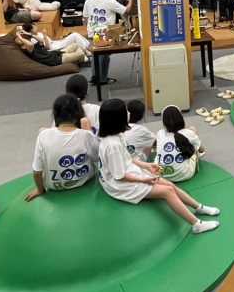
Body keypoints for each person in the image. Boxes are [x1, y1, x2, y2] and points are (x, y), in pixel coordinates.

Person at [96, 99, 219, 234]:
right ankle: (196, 224)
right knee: (168, 191)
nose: (129, 112)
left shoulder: (117, 136)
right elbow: (119, 176)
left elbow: (127, 158)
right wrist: (144, 180)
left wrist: (146, 165)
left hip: (129, 173)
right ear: (118, 118)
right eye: (126, 111)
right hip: (121, 186)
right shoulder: (112, 145)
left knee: (170, 184)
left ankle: (198, 207)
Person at [26, 94, 99, 201]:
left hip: (53, 186)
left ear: (55, 114)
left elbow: (37, 172)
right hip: (84, 180)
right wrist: (88, 132)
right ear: (78, 113)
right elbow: (97, 157)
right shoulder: (86, 135)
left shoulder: (43, 136)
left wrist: (40, 190)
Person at [83, 0, 132, 86]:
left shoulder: (89, 0)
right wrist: (130, 0)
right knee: (104, 56)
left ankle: (96, 76)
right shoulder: (110, 2)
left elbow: (85, 18)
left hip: (92, 31)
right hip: (105, 33)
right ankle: (101, 79)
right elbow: (126, 10)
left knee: (95, 54)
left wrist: (90, 28)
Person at [156, 105, 204, 182]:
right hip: (185, 174)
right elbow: (202, 150)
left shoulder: (160, 133)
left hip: (162, 175)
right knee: (193, 130)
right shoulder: (188, 133)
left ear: (164, 122)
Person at [15, 27, 85, 66]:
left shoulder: (34, 47)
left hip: (56, 53)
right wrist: (19, 37)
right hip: (56, 60)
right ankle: (81, 60)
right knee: (81, 53)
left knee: (76, 45)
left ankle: (80, 60)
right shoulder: (27, 51)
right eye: (17, 39)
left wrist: (29, 34)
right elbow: (30, 45)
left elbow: (42, 41)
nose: (19, 38)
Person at [22, 22, 90, 58]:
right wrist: (45, 36)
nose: (36, 27)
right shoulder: (33, 40)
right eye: (33, 28)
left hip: (55, 43)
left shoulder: (39, 33)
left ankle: (88, 47)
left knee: (74, 34)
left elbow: (52, 41)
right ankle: (86, 51)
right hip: (53, 48)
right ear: (30, 31)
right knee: (74, 35)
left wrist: (63, 39)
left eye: (35, 26)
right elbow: (47, 47)